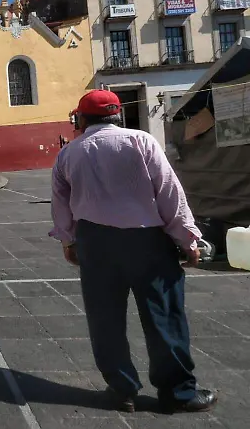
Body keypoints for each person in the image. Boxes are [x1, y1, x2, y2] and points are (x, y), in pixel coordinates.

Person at [50, 90, 217, 414]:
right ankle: (177, 393)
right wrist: (187, 240)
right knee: (164, 316)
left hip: (96, 244)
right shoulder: (142, 141)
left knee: (105, 319)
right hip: (147, 242)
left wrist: (69, 241)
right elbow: (169, 193)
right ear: (117, 116)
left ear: (82, 119)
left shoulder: (69, 154)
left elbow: (61, 203)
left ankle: (121, 389)